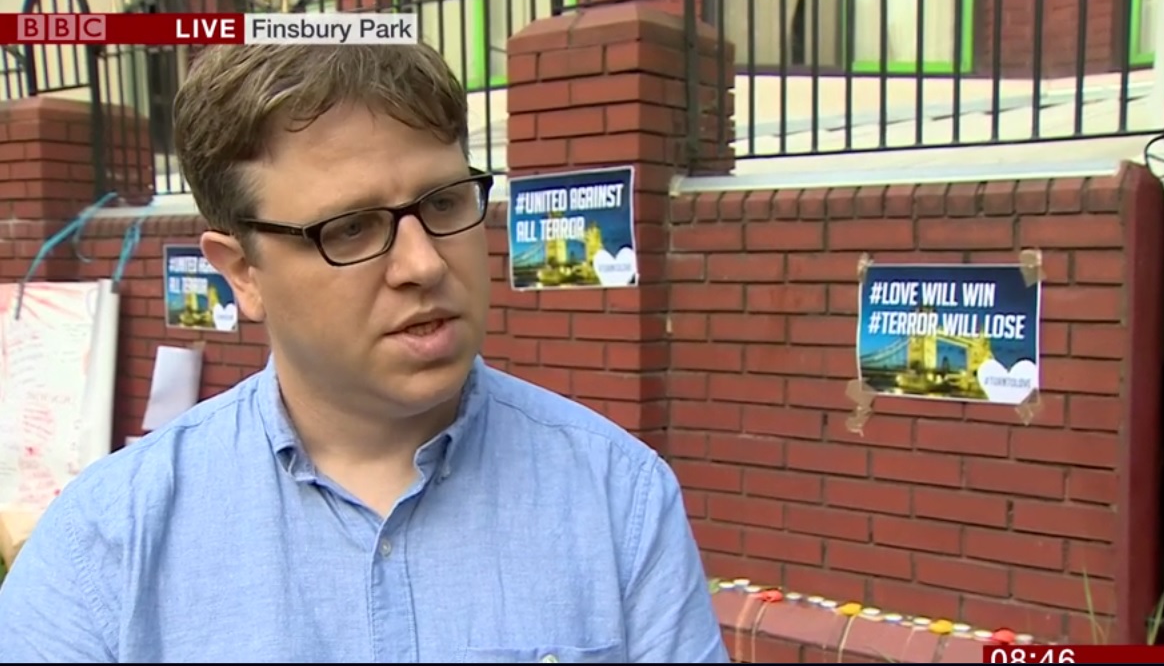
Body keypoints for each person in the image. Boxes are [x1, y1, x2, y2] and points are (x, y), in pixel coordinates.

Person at [0, 43, 728, 663]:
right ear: (242, 272)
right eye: (350, 228)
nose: (423, 263)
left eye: (443, 204)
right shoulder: (107, 542)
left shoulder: (618, 496)